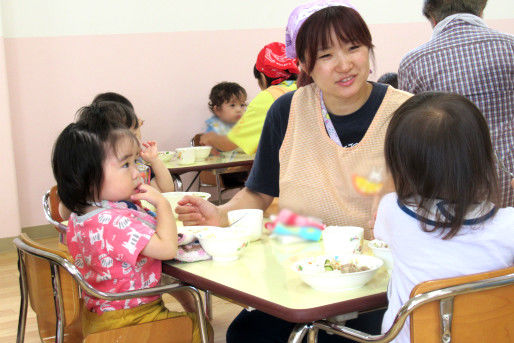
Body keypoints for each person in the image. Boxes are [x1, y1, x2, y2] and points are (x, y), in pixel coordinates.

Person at [176, 2, 412, 342]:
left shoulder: (406, 113)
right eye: (326, 55)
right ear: (303, 64)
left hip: (377, 280)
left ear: (369, 49)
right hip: (300, 271)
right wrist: (220, 214)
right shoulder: (286, 111)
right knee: (246, 335)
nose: (345, 65)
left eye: (354, 48)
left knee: (342, 338)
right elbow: (258, 192)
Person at [51, 116, 210, 341]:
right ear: (89, 177)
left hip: (99, 316)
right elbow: (167, 249)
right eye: (126, 165)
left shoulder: (80, 216)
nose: (137, 172)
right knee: (199, 328)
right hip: (133, 319)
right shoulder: (115, 222)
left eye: (136, 162)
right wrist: (162, 204)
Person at [375, 92, 514, 343]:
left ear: (401, 164)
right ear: (482, 159)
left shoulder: (392, 211)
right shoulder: (508, 226)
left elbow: (380, 241)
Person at [398, 0, 514, 207]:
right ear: (481, 9)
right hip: (509, 184)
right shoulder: (510, 47)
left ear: (433, 19)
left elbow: (410, 138)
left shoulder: (414, 62)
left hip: (450, 188)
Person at [199, 42, 299, 155]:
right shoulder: (307, 89)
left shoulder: (269, 97)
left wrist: (211, 138)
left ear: (262, 76)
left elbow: (231, 143)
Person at [90, 92, 175, 193]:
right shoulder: (106, 173)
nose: (137, 141)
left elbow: (166, 189)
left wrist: (155, 160)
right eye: (133, 136)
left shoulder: (138, 164)